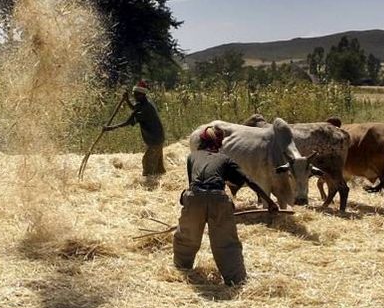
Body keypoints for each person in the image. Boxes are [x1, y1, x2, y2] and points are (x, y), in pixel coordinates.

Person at [173, 125, 279, 286]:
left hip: (194, 199)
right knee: (226, 243)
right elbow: (248, 181)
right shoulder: (225, 159)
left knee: (186, 237)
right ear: (217, 143)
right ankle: (236, 280)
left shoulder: (192, 157)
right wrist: (270, 202)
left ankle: (181, 268)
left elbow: (191, 186)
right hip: (218, 200)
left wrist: (187, 201)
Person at [104, 80, 166, 176]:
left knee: (147, 162)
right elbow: (134, 108)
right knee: (158, 167)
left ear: (141, 95)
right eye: (133, 94)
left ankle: (149, 183)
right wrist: (127, 100)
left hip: (155, 139)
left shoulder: (146, 108)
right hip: (157, 137)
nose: (134, 97)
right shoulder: (143, 102)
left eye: (136, 95)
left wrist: (109, 128)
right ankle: (159, 176)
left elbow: (128, 122)